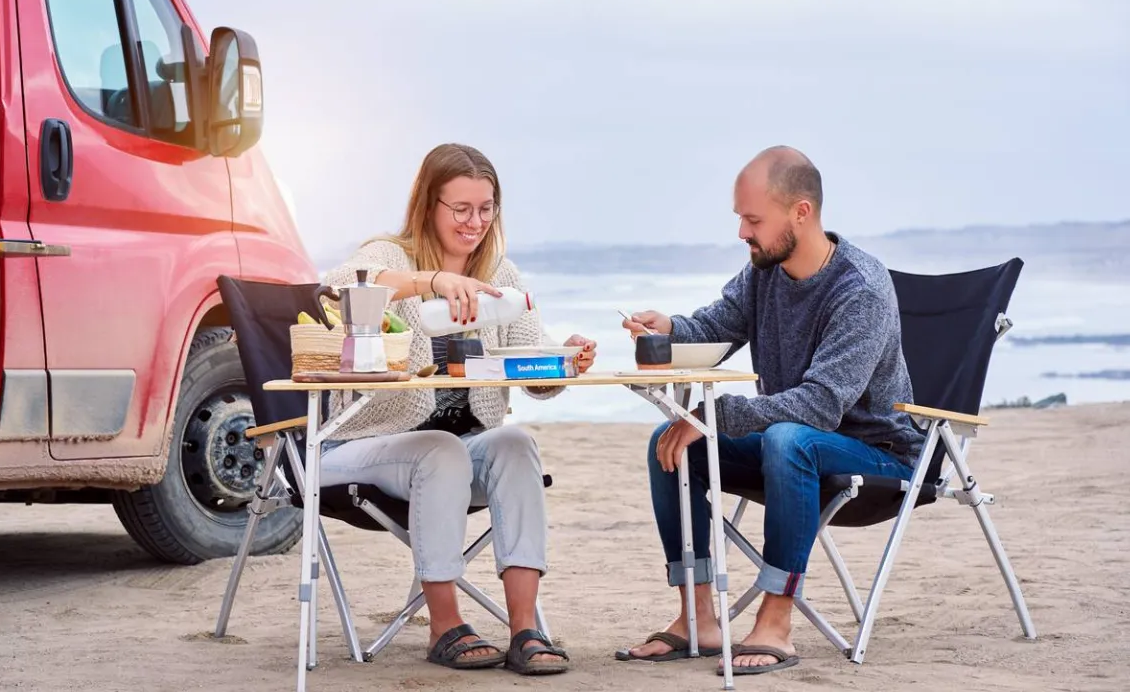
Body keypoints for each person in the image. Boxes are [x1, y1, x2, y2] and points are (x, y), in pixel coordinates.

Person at [616, 146, 925, 676]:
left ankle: (776, 620)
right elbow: (715, 327)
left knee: (786, 437)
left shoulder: (861, 290)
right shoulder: (765, 271)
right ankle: (698, 618)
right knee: (669, 445)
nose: (742, 232)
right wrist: (667, 328)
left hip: (880, 455)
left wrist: (711, 417)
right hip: (796, 448)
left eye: (753, 219)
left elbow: (820, 406)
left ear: (800, 213)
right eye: (741, 217)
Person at [320, 142, 596, 675]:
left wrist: (564, 360)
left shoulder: (502, 275)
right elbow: (335, 289)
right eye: (461, 209)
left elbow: (532, 373)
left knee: (515, 443)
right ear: (430, 205)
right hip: (357, 448)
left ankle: (525, 630)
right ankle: (445, 626)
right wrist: (433, 282)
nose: (475, 222)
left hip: (457, 453)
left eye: (486, 208)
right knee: (440, 449)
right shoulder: (389, 256)